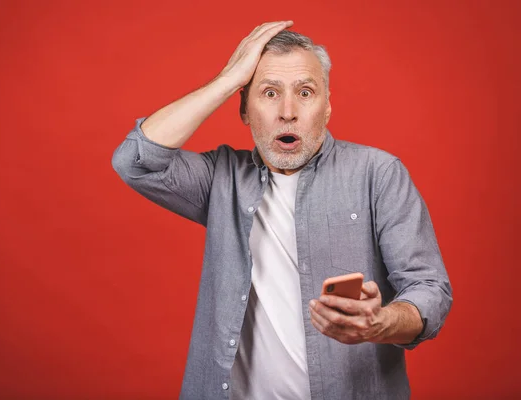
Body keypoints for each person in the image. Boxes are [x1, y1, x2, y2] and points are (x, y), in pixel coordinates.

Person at [112, 21, 452, 400]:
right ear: (243, 109)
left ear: (327, 106)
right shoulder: (220, 179)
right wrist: (228, 79)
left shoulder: (378, 174)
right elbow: (136, 161)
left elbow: (429, 289)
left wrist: (380, 322)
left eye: (305, 92)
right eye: (269, 93)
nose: (288, 111)